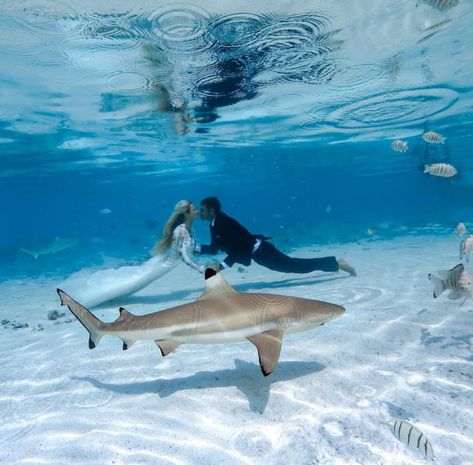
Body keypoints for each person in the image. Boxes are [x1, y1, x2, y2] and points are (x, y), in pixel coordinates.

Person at [61, 200, 204, 308]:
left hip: (163, 263)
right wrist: (202, 269)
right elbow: (185, 257)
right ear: (186, 213)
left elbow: (190, 249)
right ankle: (80, 300)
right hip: (163, 265)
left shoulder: (189, 229)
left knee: (133, 281)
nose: (196, 211)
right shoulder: (181, 230)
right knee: (132, 282)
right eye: (194, 209)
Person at [195, 197, 356, 276]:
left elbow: (238, 249)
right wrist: (194, 247)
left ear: (211, 211)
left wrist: (220, 267)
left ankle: (335, 263)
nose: (199, 212)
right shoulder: (215, 224)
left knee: (294, 266)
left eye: (202, 210)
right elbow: (215, 248)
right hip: (258, 253)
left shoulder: (223, 222)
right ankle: (333, 263)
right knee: (292, 266)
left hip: (261, 251)